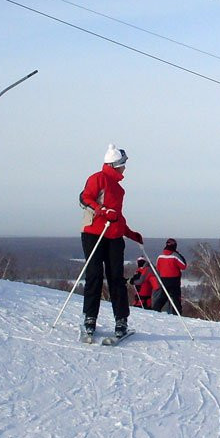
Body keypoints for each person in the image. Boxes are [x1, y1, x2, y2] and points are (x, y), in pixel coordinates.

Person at [78, 144, 142, 341]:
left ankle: (121, 319)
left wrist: (129, 232)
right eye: (123, 164)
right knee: (94, 275)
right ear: (116, 164)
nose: (125, 168)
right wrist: (102, 210)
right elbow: (84, 198)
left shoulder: (119, 189)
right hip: (94, 233)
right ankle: (90, 317)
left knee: (116, 278)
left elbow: (117, 217)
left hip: (114, 236)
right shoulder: (97, 178)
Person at [152, 238, 187, 315]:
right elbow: (183, 266)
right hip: (174, 280)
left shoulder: (160, 256)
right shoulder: (175, 256)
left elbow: (158, 268)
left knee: (163, 296)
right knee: (176, 298)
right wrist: (179, 255)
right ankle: (177, 314)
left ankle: (155, 310)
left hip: (164, 279)